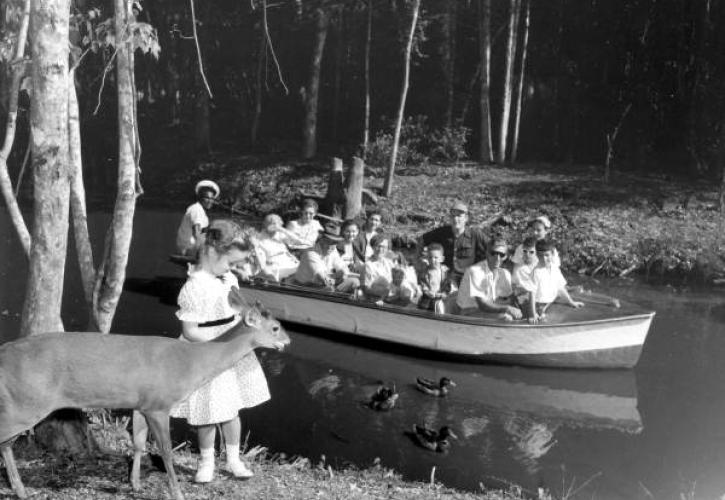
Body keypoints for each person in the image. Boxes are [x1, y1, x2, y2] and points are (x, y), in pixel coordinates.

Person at [170, 219, 270, 483]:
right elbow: (190, 330)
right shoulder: (194, 286)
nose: (233, 268)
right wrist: (220, 344)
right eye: (231, 262)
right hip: (206, 352)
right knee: (207, 411)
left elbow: (237, 309)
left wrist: (248, 324)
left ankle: (234, 459)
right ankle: (206, 463)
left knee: (231, 408)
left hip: (231, 350)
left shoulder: (228, 278)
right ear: (213, 253)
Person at [420, 201, 486, 286]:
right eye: (453, 216)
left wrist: (486, 269)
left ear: (466, 218)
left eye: (459, 216)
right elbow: (421, 240)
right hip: (447, 279)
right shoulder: (442, 232)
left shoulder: (475, 234)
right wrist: (418, 261)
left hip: (468, 279)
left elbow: (493, 249)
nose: (455, 219)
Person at [456, 238, 522, 321]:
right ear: (487, 253)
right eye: (493, 253)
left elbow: (510, 299)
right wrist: (507, 308)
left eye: (501, 254)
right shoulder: (475, 271)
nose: (497, 258)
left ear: (505, 257)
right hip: (467, 313)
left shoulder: (505, 273)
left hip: (488, 310)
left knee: (520, 315)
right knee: (506, 317)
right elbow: (483, 305)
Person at [527, 239, 583, 322]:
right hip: (540, 305)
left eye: (547, 255)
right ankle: (540, 313)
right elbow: (532, 294)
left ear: (552, 254)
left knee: (561, 292)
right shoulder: (536, 272)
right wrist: (533, 314)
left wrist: (571, 302)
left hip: (551, 300)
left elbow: (560, 288)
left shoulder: (555, 268)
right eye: (540, 255)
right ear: (537, 255)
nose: (544, 258)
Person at [293, 223, 360, 293]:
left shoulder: (333, 250)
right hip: (303, 288)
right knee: (329, 289)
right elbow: (324, 279)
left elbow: (343, 268)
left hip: (323, 285)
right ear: (321, 239)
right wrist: (339, 276)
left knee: (355, 281)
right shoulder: (311, 254)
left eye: (335, 242)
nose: (331, 245)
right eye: (328, 241)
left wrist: (344, 273)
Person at [254, 214, 306, 282]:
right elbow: (261, 260)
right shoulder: (259, 239)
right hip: (277, 266)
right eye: (271, 223)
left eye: (276, 223)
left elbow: (299, 242)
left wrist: (282, 229)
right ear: (265, 224)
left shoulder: (280, 234)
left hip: (290, 262)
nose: (273, 226)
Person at [176, 180, 220, 256]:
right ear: (200, 197)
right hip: (188, 250)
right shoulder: (196, 209)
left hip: (192, 248)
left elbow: (204, 234)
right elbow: (197, 233)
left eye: (212, 199)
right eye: (207, 198)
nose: (210, 201)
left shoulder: (202, 212)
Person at [418, 243, 456, 314]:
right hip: (428, 300)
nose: (433, 260)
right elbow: (424, 285)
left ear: (442, 259)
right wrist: (429, 292)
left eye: (436, 257)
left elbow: (448, 285)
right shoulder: (425, 273)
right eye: (430, 257)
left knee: (441, 312)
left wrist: (444, 293)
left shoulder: (445, 272)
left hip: (441, 299)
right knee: (426, 312)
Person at [512, 237, 538, 323]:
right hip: (523, 296)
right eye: (525, 251)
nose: (527, 254)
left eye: (531, 252)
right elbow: (529, 291)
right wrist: (532, 314)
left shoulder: (539, 264)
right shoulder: (520, 268)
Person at [362, 234, 395, 301]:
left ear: (387, 249)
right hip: (374, 298)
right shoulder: (368, 265)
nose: (380, 249)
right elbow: (366, 289)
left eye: (384, 247)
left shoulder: (390, 263)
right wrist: (387, 292)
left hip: (390, 296)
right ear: (372, 247)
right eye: (378, 246)